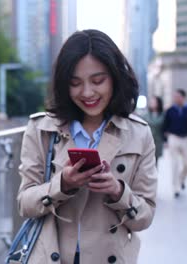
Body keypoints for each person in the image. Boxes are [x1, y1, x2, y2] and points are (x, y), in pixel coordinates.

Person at [17, 29, 157, 264]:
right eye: (75, 83)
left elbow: (144, 217)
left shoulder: (138, 134)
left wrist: (117, 191)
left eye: (98, 81)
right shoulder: (42, 129)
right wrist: (62, 184)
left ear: (114, 77)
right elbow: (25, 204)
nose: (87, 92)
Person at [163, 89, 187, 198]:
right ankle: (176, 188)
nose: (175, 98)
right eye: (174, 96)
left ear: (183, 97)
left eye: (177, 96)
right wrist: (165, 140)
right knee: (174, 163)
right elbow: (165, 125)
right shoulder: (170, 110)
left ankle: (181, 179)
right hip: (173, 137)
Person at [142, 96, 165, 166]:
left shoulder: (163, 115)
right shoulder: (145, 115)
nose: (151, 103)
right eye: (151, 102)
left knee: (155, 163)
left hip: (158, 141)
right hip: (147, 141)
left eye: (153, 102)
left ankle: (154, 176)